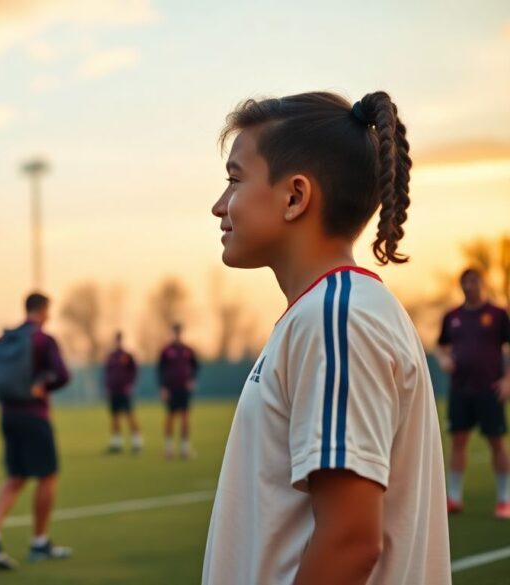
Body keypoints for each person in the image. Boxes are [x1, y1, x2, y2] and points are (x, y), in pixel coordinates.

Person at [203, 92, 450, 585]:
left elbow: (350, 541)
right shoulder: (329, 313)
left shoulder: (336, 319)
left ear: (295, 196)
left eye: (234, 180)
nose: (219, 206)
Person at [0, 292, 72, 569]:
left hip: (8, 416)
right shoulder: (43, 339)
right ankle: (39, 543)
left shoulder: (6, 339)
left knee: (15, 477)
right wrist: (42, 387)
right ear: (43, 311)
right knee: (47, 476)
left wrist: (9, 394)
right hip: (35, 416)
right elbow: (63, 375)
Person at [438, 267, 510, 518]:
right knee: (457, 442)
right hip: (460, 391)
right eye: (465, 282)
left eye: (474, 281)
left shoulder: (498, 314)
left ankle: (504, 499)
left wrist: (508, 380)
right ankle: (454, 498)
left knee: (496, 443)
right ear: (461, 286)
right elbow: (440, 346)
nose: (470, 286)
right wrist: (444, 359)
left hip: (489, 390)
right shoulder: (452, 316)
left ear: (482, 283)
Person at [158, 323, 199, 459]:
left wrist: (192, 380)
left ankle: (184, 449)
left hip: (183, 389)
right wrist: (163, 387)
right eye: (175, 332)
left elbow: (195, 366)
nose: (177, 334)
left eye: (179, 332)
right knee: (170, 418)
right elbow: (160, 370)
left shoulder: (188, 350)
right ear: (173, 333)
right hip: (171, 389)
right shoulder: (166, 351)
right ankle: (169, 449)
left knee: (185, 418)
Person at [103, 331, 142, 454]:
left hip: (124, 391)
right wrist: (108, 387)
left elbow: (134, 371)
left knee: (130, 416)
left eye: (119, 339)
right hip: (113, 391)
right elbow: (108, 373)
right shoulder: (111, 356)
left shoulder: (127, 355)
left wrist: (130, 384)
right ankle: (116, 444)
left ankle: (137, 443)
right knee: (115, 417)